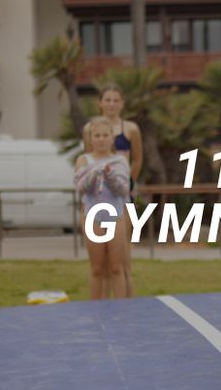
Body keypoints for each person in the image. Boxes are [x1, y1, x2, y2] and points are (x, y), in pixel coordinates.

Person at [84, 84, 142, 298]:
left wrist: (128, 184)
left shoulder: (131, 129)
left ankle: (127, 308)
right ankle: (103, 308)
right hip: (98, 197)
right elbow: (87, 160)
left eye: (115, 100)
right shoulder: (90, 128)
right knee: (102, 264)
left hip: (121, 195)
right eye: (107, 100)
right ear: (100, 103)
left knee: (123, 262)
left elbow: (138, 158)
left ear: (122, 103)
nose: (111, 104)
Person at [75, 118, 131, 299]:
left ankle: (121, 310)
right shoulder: (83, 160)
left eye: (105, 135)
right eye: (97, 135)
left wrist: (109, 175)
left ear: (111, 138)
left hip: (116, 216)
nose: (101, 139)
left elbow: (123, 189)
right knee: (97, 268)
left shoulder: (120, 161)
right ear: (90, 139)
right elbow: (81, 188)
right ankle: (96, 311)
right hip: (93, 217)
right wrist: (93, 173)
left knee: (116, 267)